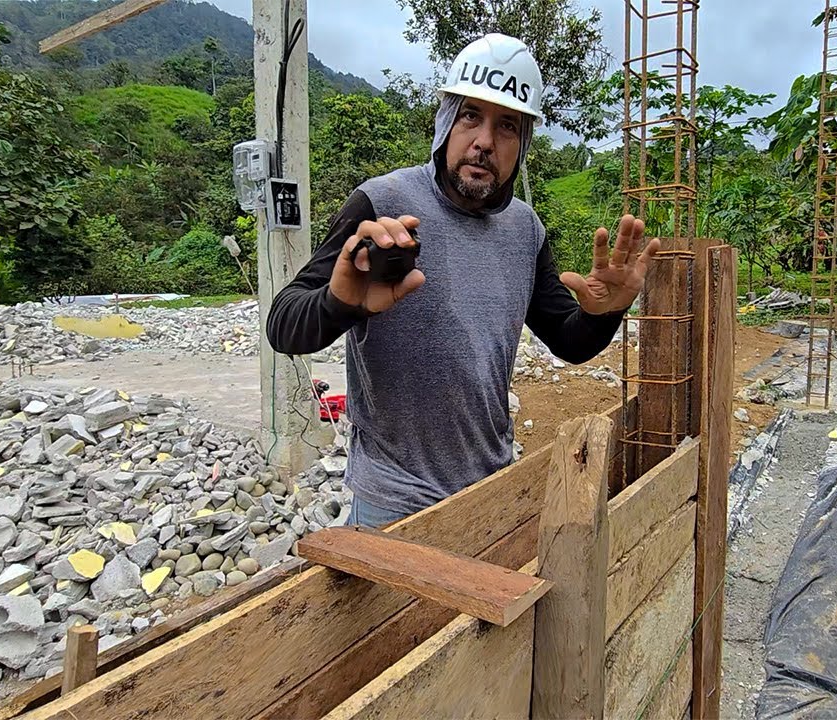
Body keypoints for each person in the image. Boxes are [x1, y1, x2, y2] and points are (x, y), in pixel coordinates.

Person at [266, 33, 660, 527]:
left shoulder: (525, 229)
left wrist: (603, 314)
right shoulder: (381, 203)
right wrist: (340, 302)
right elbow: (283, 324)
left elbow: (568, 339)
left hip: (490, 487)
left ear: (524, 144)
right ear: (446, 121)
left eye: (508, 126)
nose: (484, 142)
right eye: (471, 115)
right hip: (392, 500)